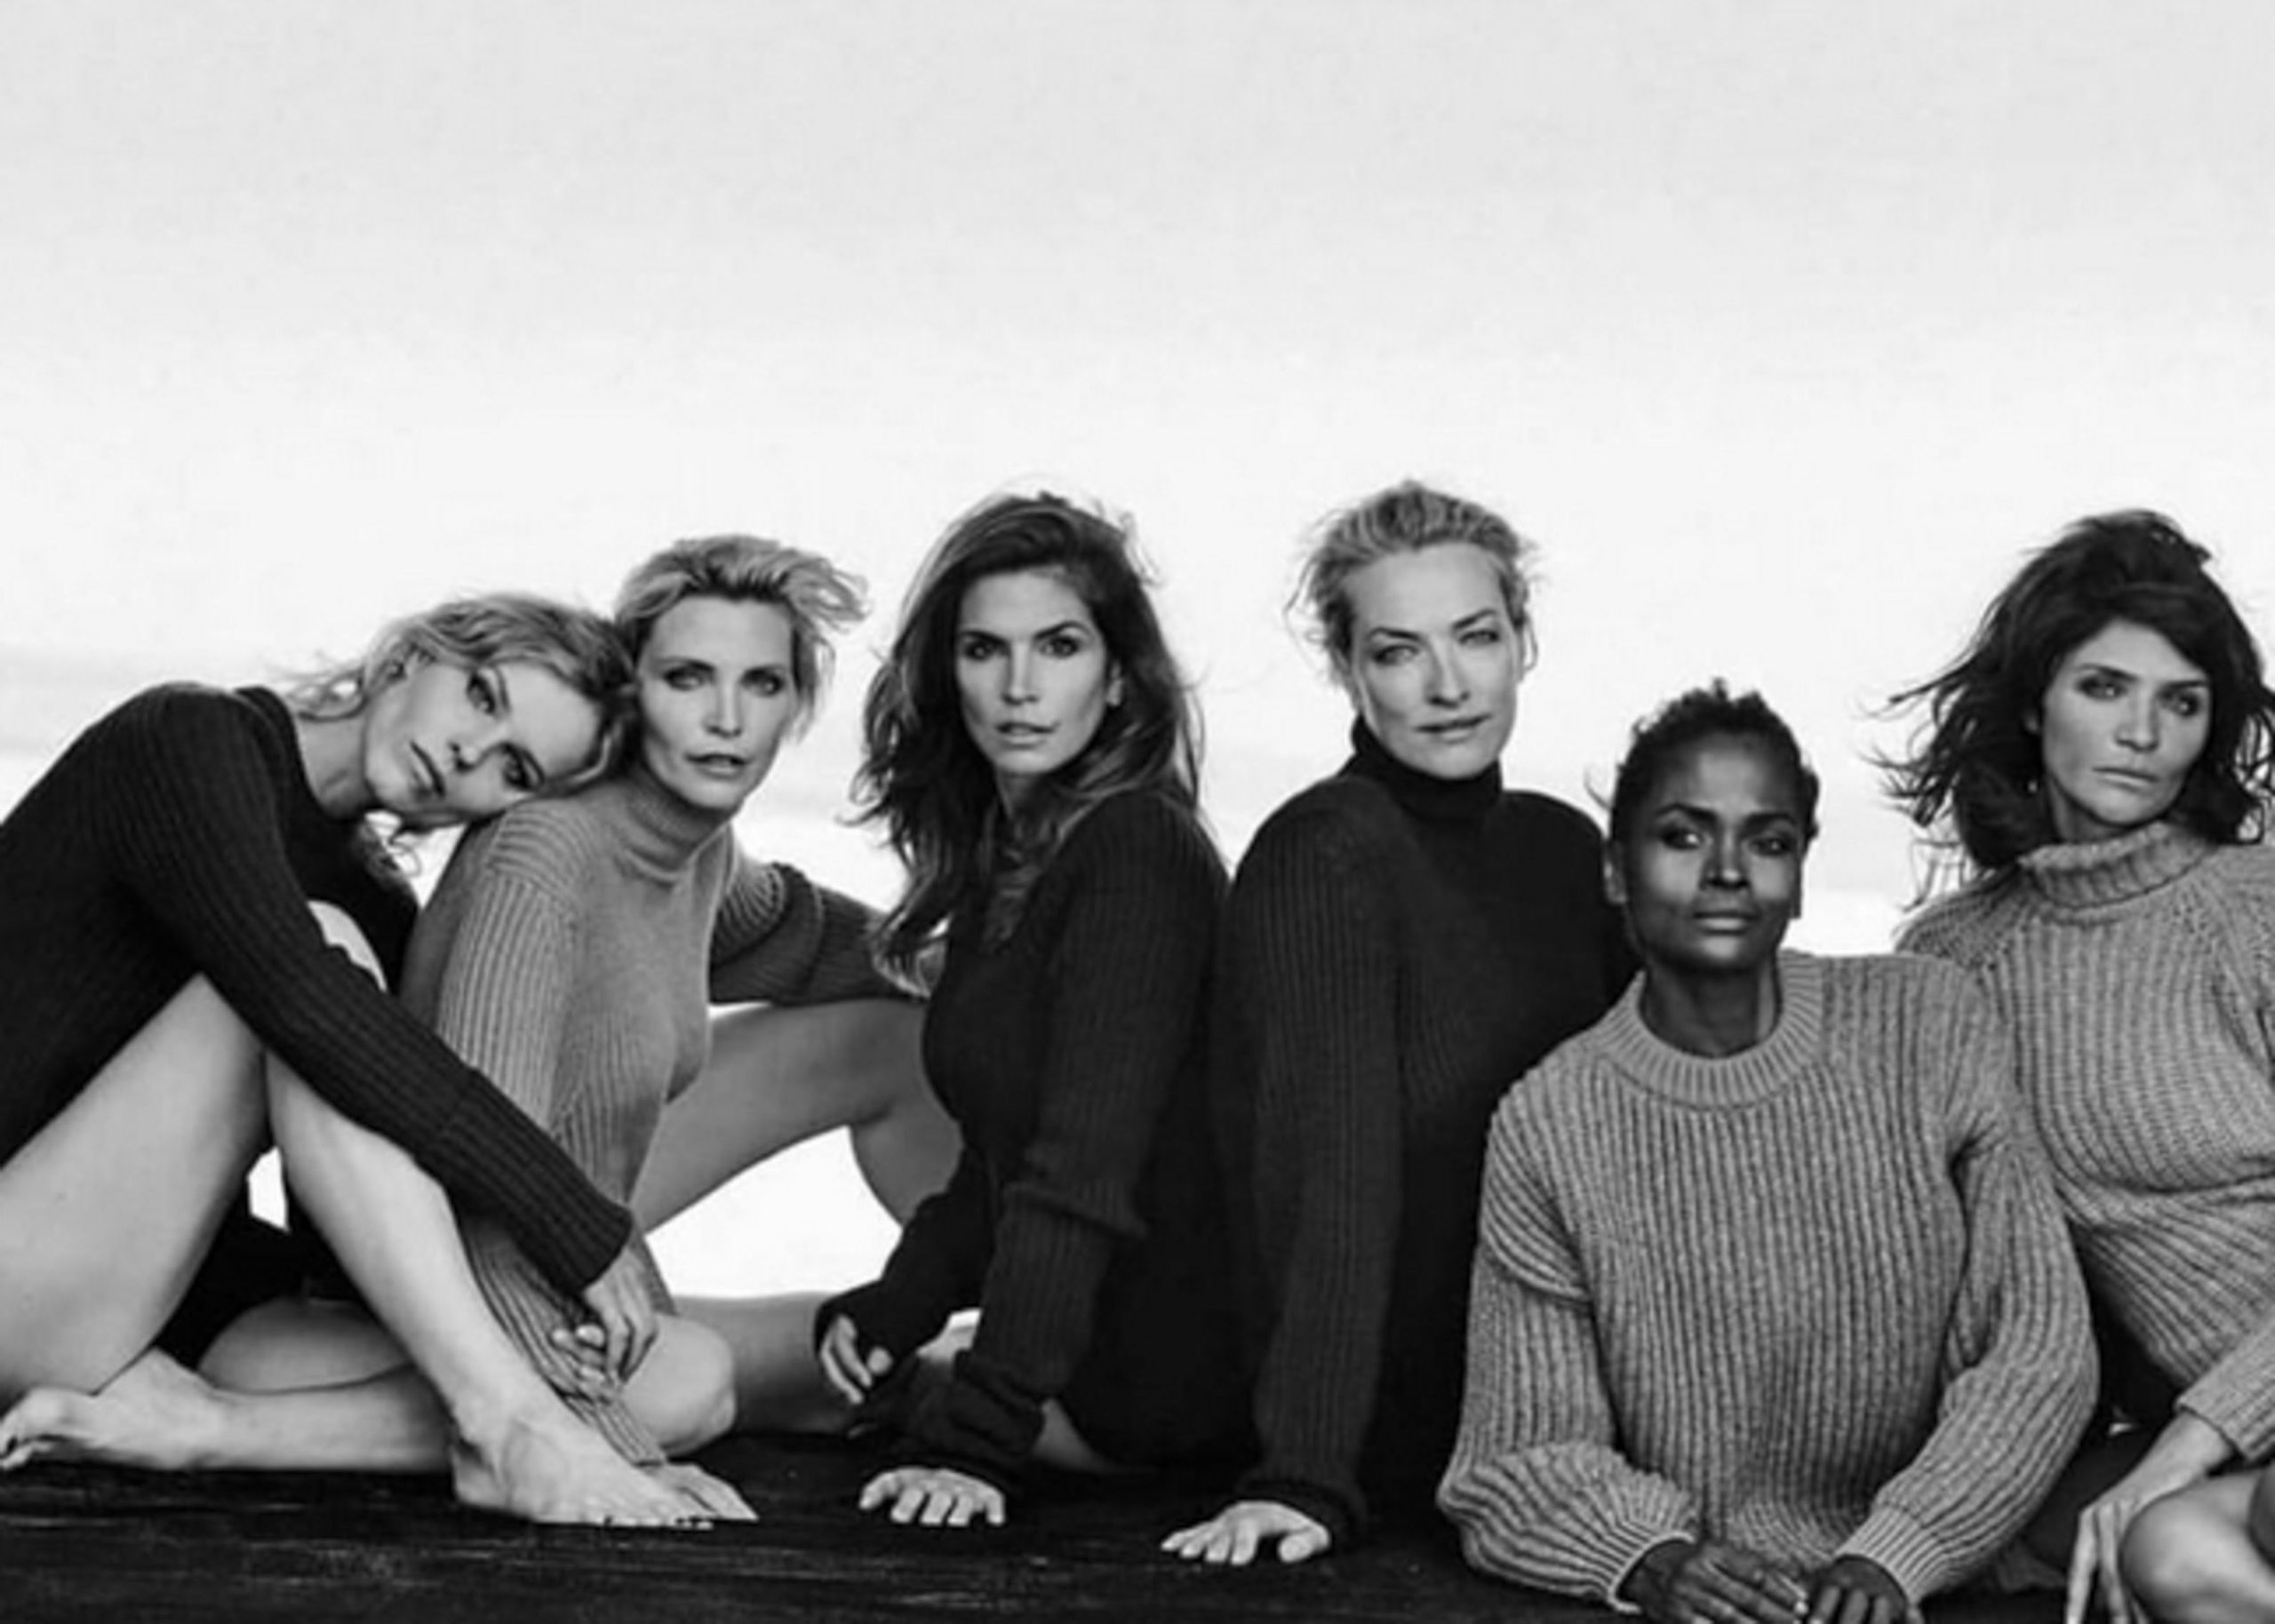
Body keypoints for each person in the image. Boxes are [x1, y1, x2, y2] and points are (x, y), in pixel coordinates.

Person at [0, 593, 717, 1524]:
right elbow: (300, 997)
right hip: (22, 1268)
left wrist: (561, 1343)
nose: (469, 753)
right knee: (323, 961)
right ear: (412, 655)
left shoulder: (378, 910)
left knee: (678, 1377)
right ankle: (507, 1426)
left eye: (515, 769)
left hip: (142, 1315)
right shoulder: (186, 739)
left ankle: (203, 1428)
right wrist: (569, 1217)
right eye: (482, 696)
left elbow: (342, 1242)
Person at [1440, 682, 2095, 1624]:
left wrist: (1896, 1553)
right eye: (1682, 836)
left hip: (1962, 1570)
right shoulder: (1550, 1123)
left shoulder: (1928, 1022)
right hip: (1729, 1601)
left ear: (1800, 872)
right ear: (1616, 870)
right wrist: (1653, 1557)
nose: (1727, 871)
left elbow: (2039, 1348)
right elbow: (1518, 1454)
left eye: (1768, 841)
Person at [390, 533, 958, 1506]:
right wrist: (618, 1454)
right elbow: (481, 1179)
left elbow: (801, 933)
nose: (726, 718)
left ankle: (1028, 1305)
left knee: (878, 1349)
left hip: (577, 1248)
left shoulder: (693, 852)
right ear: (632, 691)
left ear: (795, 704)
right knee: (692, 1383)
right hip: (425, 1288)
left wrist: (980, 968)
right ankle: (241, 1421)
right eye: (688, 678)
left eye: (762, 684)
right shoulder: (543, 856)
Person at [1164, 481, 1633, 1567]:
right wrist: (1305, 1470)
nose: (1447, 685)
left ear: (1522, 639)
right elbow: (1330, 1180)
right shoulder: (1326, 853)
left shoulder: (1563, 850)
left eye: (1476, 636)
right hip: (1392, 1434)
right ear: (1345, 667)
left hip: (1561, 1410)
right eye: (1396, 651)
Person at [816, 490, 1247, 1531]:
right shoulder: (1010, 860)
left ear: (1120, 677)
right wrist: (900, 1302)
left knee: (763, 1385)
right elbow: (997, 1159)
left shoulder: (1137, 853)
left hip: (1157, 1386)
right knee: (821, 1363)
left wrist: (974, 1443)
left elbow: (1079, 1174)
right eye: (984, 650)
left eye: (1059, 646)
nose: (1020, 688)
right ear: (945, 673)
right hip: (1078, 1338)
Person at [1886, 510, 2275, 1624]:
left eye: (2181, 703)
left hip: (2219, 1429)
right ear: (2031, 701)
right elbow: (1974, 1261)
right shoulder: (1951, 963)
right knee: (2123, 1546)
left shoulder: (2254, 911)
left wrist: (2190, 1441)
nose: (2141, 733)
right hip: (2220, 1442)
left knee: (2163, 1530)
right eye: (2104, 689)